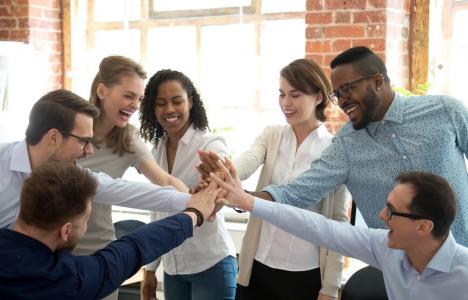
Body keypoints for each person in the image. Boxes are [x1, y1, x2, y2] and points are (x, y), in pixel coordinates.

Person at [198, 46, 468, 246]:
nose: (342, 101)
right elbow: (294, 193)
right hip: (402, 275)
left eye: (348, 90)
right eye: (337, 95)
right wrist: (240, 196)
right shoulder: (347, 145)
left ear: (377, 81)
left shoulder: (446, 111)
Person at [209, 162, 468, 300]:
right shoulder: (384, 247)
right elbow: (319, 228)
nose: (380, 216)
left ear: (424, 227)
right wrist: (249, 202)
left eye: (391, 211)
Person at [0, 162, 221, 299]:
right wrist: (195, 214)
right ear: (66, 230)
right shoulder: (66, 280)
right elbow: (132, 248)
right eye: (85, 220)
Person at [0, 89, 196, 235]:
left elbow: (124, 191)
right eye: (84, 142)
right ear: (54, 138)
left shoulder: (66, 175)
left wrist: (192, 201)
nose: (89, 152)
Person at [233, 59, 349, 300]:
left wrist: (330, 288)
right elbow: (245, 163)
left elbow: (339, 223)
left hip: (304, 274)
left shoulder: (334, 149)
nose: (286, 103)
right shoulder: (271, 135)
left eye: (295, 95)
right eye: (282, 94)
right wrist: (224, 173)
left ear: (318, 97)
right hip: (257, 266)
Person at [76, 57, 189, 300]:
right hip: (57, 249)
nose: (135, 104)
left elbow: (165, 180)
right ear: (102, 90)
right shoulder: (70, 126)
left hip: (100, 253)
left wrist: (194, 202)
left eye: (139, 98)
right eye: (129, 96)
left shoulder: (128, 139)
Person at [138, 69, 237, 300]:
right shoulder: (157, 150)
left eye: (177, 101)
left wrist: (212, 188)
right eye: (161, 103)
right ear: (153, 108)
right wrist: (151, 269)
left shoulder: (210, 143)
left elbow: (221, 185)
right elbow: (158, 211)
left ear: (190, 101)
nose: (169, 110)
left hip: (211, 264)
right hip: (173, 270)